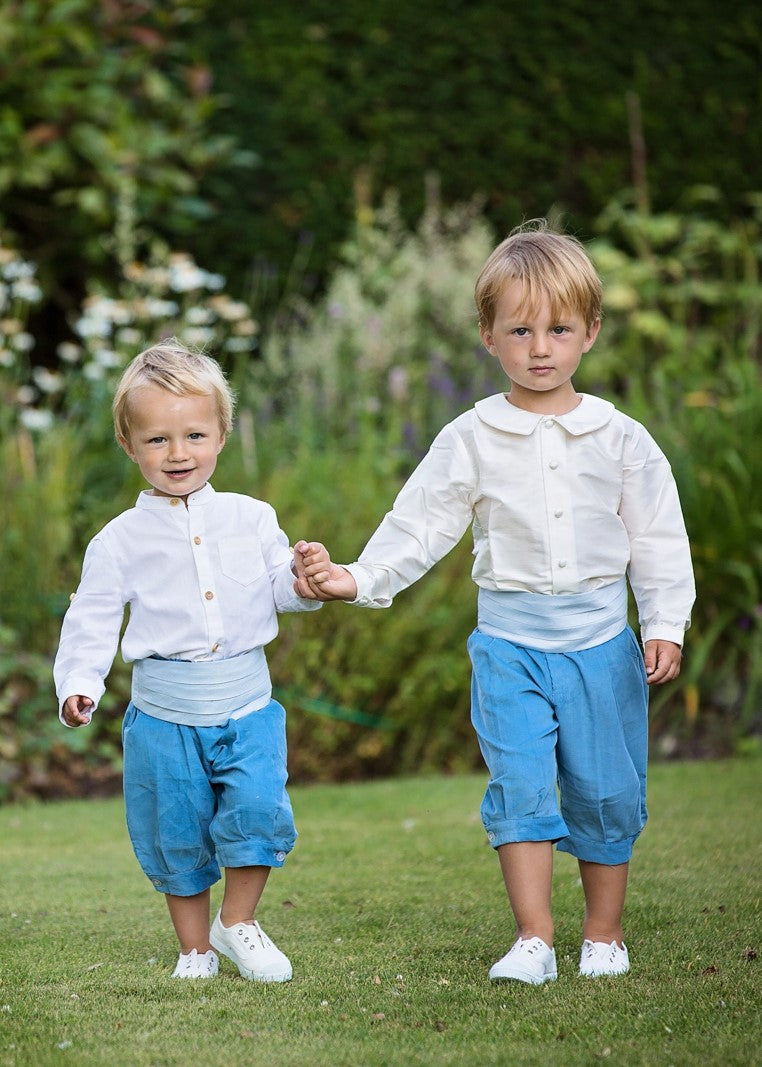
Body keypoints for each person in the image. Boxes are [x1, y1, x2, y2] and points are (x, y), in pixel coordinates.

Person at [295, 221, 695, 984]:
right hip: (509, 646)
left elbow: (658, 538)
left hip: (601, 648)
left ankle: (603, 935)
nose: (540, 346)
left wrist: (665, 620)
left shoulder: (621, 439)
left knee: (608, 790)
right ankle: (535, 938)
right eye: (520, 329)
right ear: (488, 336)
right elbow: (421, 521)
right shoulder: (471, 436)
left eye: (559, 328)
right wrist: (358, 576)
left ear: (590, 333)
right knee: (521, 784)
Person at [54, 339, 327, 981]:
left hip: (247, 707)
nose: (178, 454)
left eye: (194, 435)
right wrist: (79, 683)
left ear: (221, 434)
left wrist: (304, 580)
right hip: (164, 718)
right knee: (175, 831)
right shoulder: (118, 541)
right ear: (130, 445)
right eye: (157, 440)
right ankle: (195, 949)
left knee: (258, 811)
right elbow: (91, 619)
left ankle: (239, 922)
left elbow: (281, 592)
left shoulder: (252, 518)